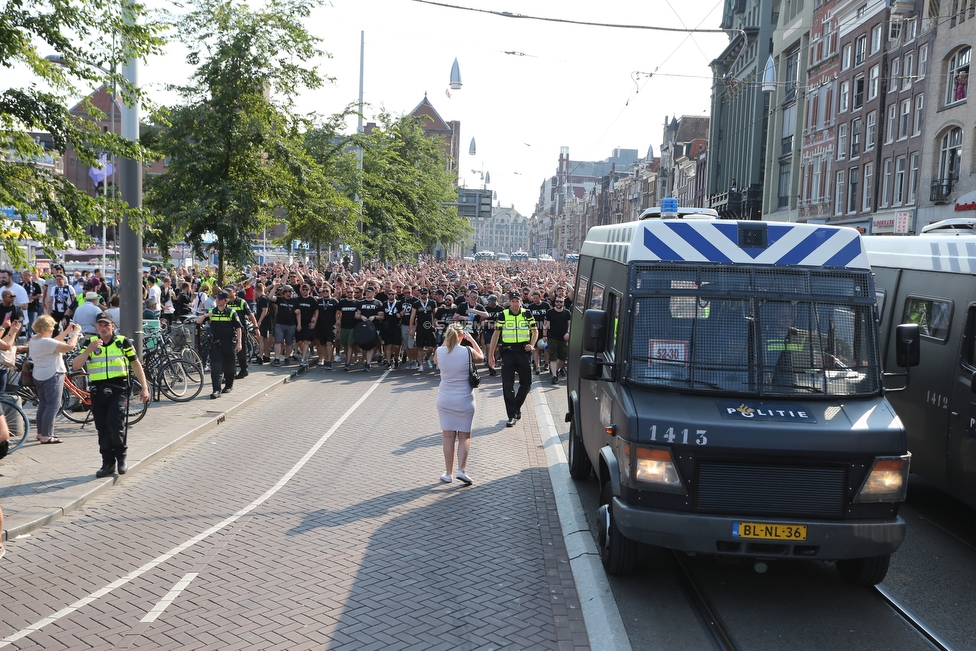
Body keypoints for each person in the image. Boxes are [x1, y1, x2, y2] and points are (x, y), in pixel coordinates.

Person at [71, 312, 150, 477]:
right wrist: (88, 351)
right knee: (102, 428)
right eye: (100, 325)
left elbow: (136, 364)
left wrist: (144, 387)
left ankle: (121, 457)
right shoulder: (90, 342)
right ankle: (107, 462)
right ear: (96, 327)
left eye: (107, 325)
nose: (103, 328)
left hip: (118, 389)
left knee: (115, 424)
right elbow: (76, 366)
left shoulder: (122, 342)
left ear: (112, 326)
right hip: (97, 390)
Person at [434, 323, 484, 485]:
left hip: (445, 399)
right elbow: (482, 357)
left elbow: (436, 360)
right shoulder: (467, 351)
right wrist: (471, 340)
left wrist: (445, 342)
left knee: (448, 437)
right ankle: (461, 470)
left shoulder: (440, 352)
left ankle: (448, 473)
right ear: (462, 336)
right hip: (464, 399)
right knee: (464, 436)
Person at [30, 316, 82, 444]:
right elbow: (70, 346)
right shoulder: (46, 342)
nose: (54, 328)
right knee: (53, 406)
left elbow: (52, 343)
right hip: (52, 375)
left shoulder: (34, 339)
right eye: (52, 326)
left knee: (43, 404)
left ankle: (41, 432)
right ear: (46, 327)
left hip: (39, 375)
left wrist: (65, 333)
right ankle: (46, 436)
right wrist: (75, 333)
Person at [489, 292, 538, 427]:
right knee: (507, 385)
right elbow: (496, 334)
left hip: (523, 352)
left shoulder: (526, 313)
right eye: (513, 301)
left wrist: (532, 345)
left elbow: (535, 331)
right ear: (509, 302)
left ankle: (516, 406)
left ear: (521, 301)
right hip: (508, 353)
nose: (515, 304)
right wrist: (491, 355)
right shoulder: (503, 314)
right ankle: (511, 415)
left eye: (517, 301)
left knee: (526, 383)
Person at [196, 291, 243, 398]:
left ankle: (228, 386)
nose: (217, 300)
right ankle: (216, 390)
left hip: (229, 343)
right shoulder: (212, 311)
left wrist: (239, 342)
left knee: (229, 366)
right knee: (216, 367)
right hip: (216, 344)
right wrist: (206, 315)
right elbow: (198, 321)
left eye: (220, 299)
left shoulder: (231, 312)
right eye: (217, 298)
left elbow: (238, 328)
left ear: (226, 300)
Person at [543, 296, 571, 384]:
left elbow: (569, 324)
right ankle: (554, 376)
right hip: (552, 338)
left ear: (563, 303)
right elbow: (545, 324)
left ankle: (556, 370)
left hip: (563, 338)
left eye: (561, 302)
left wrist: (568, 333)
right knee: (553, 357)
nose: (559, 303)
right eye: (557, 301)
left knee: (562, 358)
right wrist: (544, 335)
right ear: (555, 302)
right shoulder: (550, 312)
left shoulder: (567, 312)